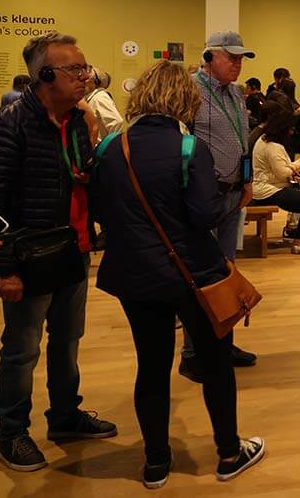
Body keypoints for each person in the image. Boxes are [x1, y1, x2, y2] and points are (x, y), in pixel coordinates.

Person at [90, 61, 265, 488]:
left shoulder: (111, 147)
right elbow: (203, 214)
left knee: (151, 367)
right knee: (215, 364)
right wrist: (234, 201)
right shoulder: (190, 149)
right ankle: (228, 453)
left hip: (136, 275)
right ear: (185, 99)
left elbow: (99, 211)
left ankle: (155, 464)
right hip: (194, 274)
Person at [0, 32, 117, 472]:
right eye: (74, 69)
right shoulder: (5, 125)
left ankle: (65, 417)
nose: (85, 76)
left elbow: (72, 176)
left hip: (72, 249)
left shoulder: (75, 121)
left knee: (67, 342)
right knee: (22, 349)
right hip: (29, 257)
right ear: (45, 75)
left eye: (84, 66)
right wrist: (5, 269)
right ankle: (12, 432)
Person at [181, 31, 258, 382]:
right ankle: (193, 353)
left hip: (233, 192)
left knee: (225, 273)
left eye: (242, 59)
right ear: (210, 57)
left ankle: (222, 344)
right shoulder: (191, 92)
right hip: (203, 195)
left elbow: (243, 140)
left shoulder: (236, 94)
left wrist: (248, 180)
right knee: (201, 275)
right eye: (233, 57)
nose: (238, 64)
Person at [250, 102, 300, 255]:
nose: (292, 132)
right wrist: (299, 164)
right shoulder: (272, 146)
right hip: (268, 190)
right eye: (290, 128)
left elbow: (282, 169)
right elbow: (283, 173)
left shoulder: (267, 141)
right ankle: (299, 241)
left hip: (270, 186)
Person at [84, 67, 124, 143]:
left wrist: (108, 147)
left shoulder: (100, 97)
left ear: (96, 82)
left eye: (87, 79)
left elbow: (116, 122)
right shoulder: (90, 98)